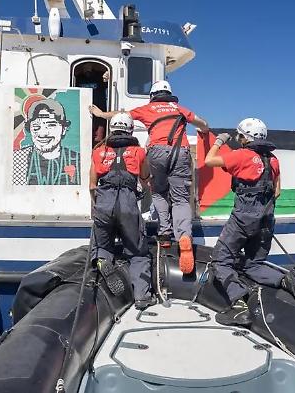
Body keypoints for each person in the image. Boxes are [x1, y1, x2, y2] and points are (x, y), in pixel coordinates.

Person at [91, 80, 208, 275]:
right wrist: (205, 130)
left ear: (153, 95)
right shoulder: (178, 108)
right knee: (180, 199)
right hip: (181, 152)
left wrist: (101, 114)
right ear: (169, 94)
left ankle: (164, 233)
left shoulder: (147, 108)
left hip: (156, 151)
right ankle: (184, 236)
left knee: (159, 192)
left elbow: (122, 116)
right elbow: (201, 123)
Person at [204, 118, 295, 326]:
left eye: (239, 135)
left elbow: (209, 161)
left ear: (246, 138)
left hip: (243, 218)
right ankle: (284, 279)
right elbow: (277, 191)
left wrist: (219, 141)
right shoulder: (273, 159)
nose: (237, 138)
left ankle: (238, 305)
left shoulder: (241, 156)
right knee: (253, 263)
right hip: (266, 219)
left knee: (221, 261)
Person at [89, 112, 155, 309]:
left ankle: (102, 260)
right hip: (127, 202)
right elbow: (145, 177)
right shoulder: (139, 152)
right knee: (138, 252)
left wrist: (96, 206)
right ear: (131, 130)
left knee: (102, 245)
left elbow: (92, 185)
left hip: (104, 202)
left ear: (111, 129)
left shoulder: (98, 152)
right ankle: (142, 297)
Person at [14, 98, 81, 185]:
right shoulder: (19, 159)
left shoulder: (78, 159)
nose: (42, 133)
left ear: (64, 129)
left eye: (51, 125)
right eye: (36, 127)